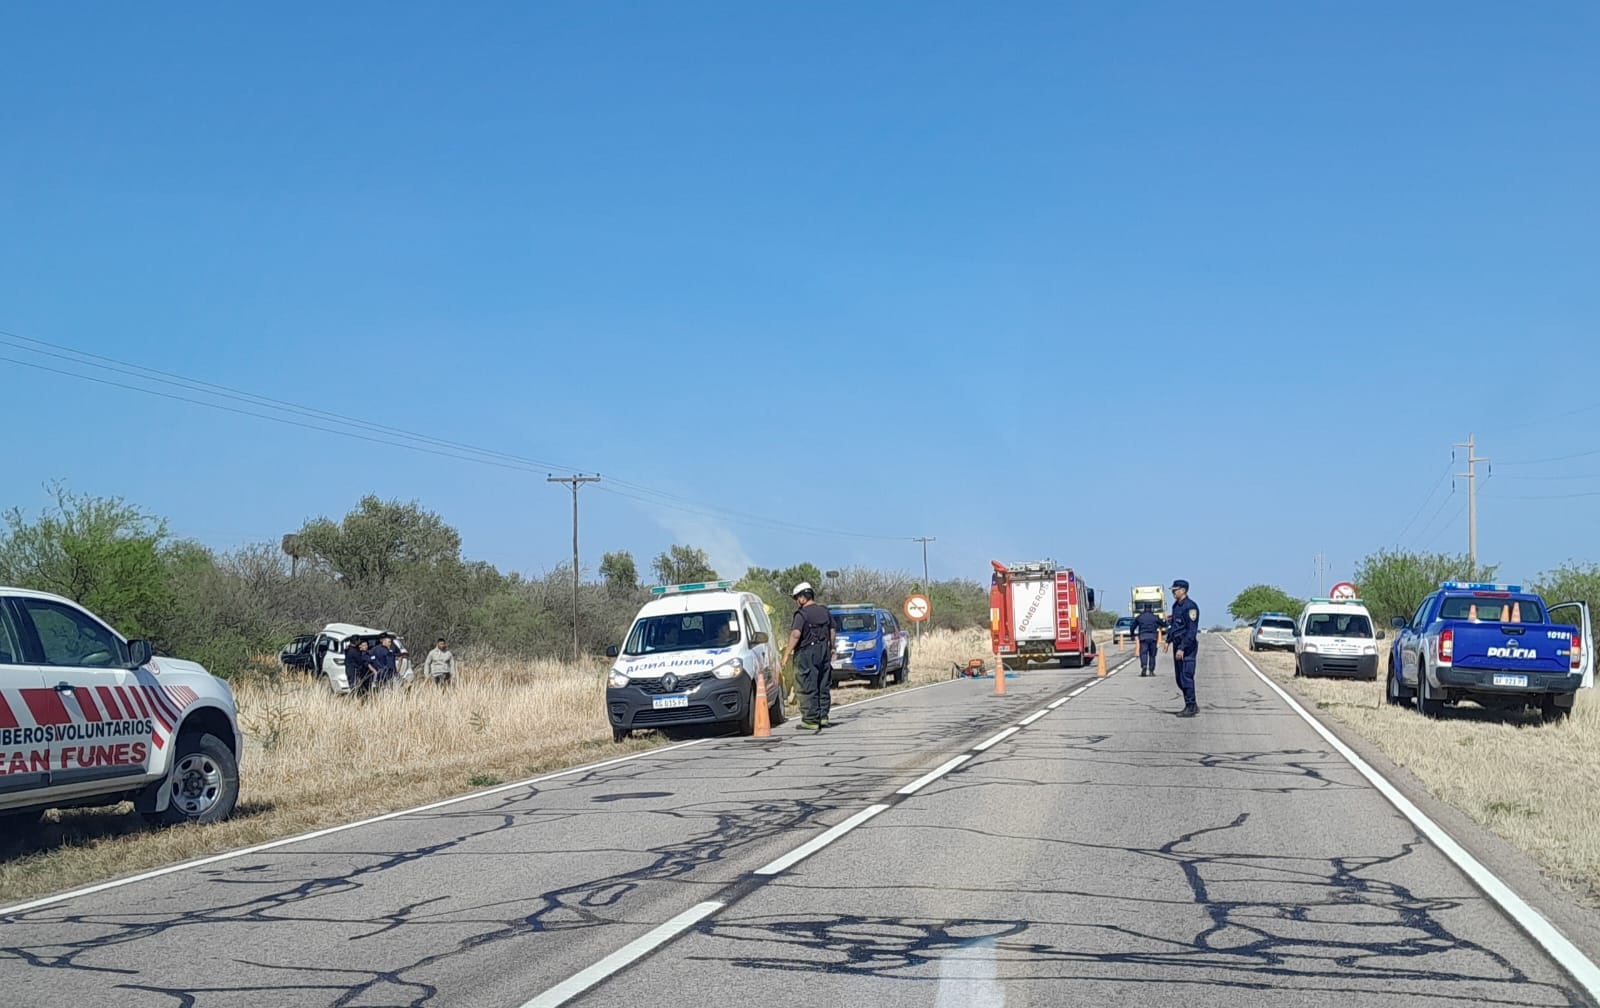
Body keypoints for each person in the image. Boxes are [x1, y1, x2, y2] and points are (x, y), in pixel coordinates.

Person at [784, 582, 834, 732]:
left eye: (797, 598)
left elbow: (796, 634)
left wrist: (786, 654)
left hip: (807, 653)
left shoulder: (801, 614)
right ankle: (823, 717)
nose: (797, 602)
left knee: (807, 684)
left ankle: (810, 720)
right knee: (823, 684)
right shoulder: (825, 611)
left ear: (803, 597)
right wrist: (832, 647)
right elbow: (832, 631)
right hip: (824, 650)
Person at [1167, 580, 1200, 717]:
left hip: (1187, 647)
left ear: (1184, 590)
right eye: (1173, 590)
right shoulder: (1176, 606)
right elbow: (1175, 626)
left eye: (1176, 589)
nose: (1173, 592)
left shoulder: (1190, 607)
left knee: (1186, 676)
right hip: (1177, 644)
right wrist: (1168, 640)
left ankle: (1190, 705)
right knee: (1179, 678)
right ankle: (1192, 704)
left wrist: (1182, 648)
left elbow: (1191, 631)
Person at [1133, 605, 1164, 677]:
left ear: (1144, 609)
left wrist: (1132, 634)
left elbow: (1133, 626)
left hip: (1143, 637)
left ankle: (1144, 665)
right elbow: (1163, 624)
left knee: (1143, 653)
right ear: (1151, 609)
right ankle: (1151, 671)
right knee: (1152, 655)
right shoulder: (1155, 617)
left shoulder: (1140, 617)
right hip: (1153, 638)